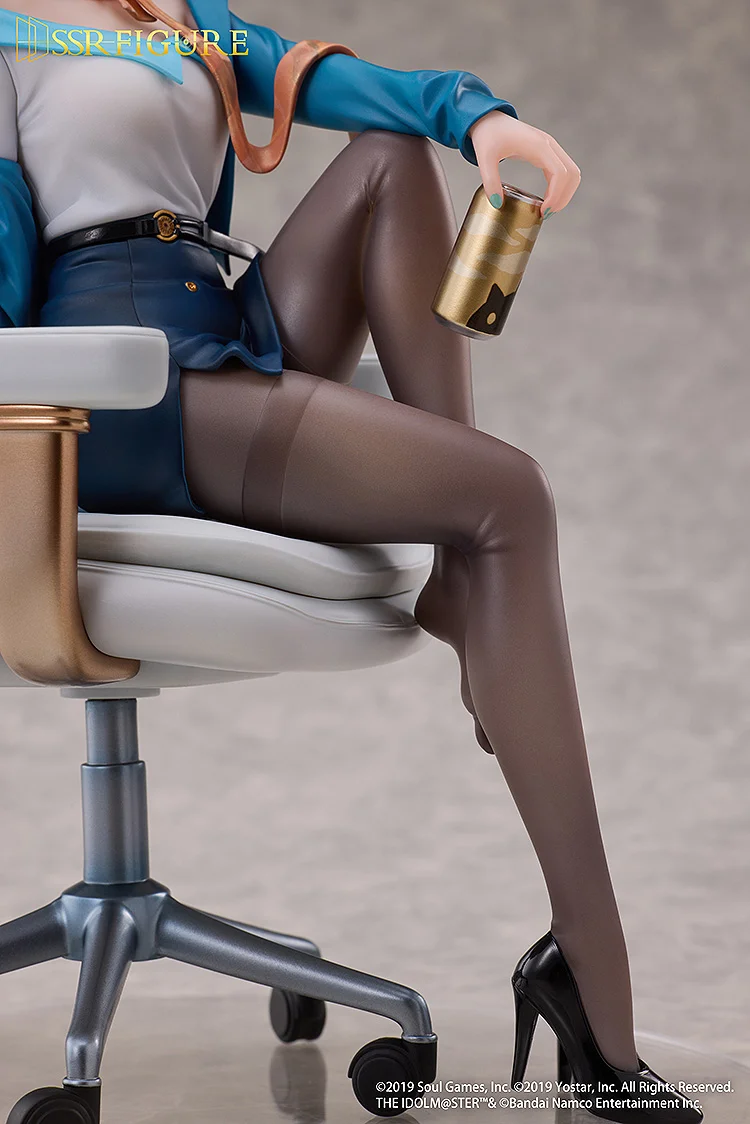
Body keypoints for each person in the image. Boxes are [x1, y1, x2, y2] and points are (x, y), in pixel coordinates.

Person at [0, 2, 702, 1118]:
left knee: (392, 154)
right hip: (115, 383)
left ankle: (463, 574)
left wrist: (481, 119)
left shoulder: (178, 18)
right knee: (511, 497)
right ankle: (593, 976)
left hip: (221, 328)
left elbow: (344, 84)